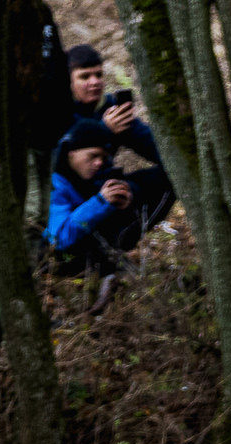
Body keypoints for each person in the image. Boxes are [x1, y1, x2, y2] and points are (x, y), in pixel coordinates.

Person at [45, 119, 175, 309]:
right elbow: (59, 238)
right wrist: (101, 202)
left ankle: (114, 266)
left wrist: (127, 195)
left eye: (103, 156)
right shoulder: (54, 183)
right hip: (65, 259)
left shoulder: (94, 170)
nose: (99, 162)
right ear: (72, 153)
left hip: (102, 244)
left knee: (162, 179)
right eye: (93, 156)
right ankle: (106, 272)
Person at [67, 44, 163, 168]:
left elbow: (152, 144)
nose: (95, 82)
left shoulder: (110, 108)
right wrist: (105, 131)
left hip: (109, 177)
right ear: (68, 81)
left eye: (99, 75)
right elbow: (62, 161)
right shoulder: (59, 111)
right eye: (85, 77)